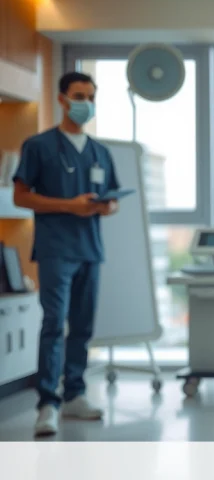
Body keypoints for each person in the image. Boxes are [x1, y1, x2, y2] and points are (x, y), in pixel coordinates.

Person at [13, 72, 121, 437]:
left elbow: (113, 198)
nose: (85, 103)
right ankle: (48, 402)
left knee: (83, 327)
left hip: (90, 249)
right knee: (54, 324)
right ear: (61, 99)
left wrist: (107, 208)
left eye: (91, 96)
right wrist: (68, 206)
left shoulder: (100, 152)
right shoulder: (38, 146)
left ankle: (75, 393)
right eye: (79, 95)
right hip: (56, 249)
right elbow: (20, 196)